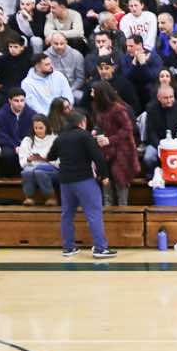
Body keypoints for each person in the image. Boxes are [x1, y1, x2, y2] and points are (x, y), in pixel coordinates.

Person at [54, 110, 115, 259]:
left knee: (67, 214)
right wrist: (104, 175)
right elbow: (98, 157)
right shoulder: (85, 136)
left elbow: (51, 156)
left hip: (65, 181)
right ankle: (100, 248)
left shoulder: (60, 137)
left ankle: (68, 247)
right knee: (94, 213)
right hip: (84, 180)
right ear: (82, 122)